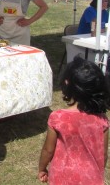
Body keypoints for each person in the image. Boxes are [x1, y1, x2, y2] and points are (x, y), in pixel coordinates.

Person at [37, 56, 110, 184]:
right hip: (91, 178)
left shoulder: (58, 117)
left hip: (61, 177)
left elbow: (48, 150)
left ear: (66, 83)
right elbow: (103, 153)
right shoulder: (102, 119)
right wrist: (97, 174)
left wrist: (42, 168)